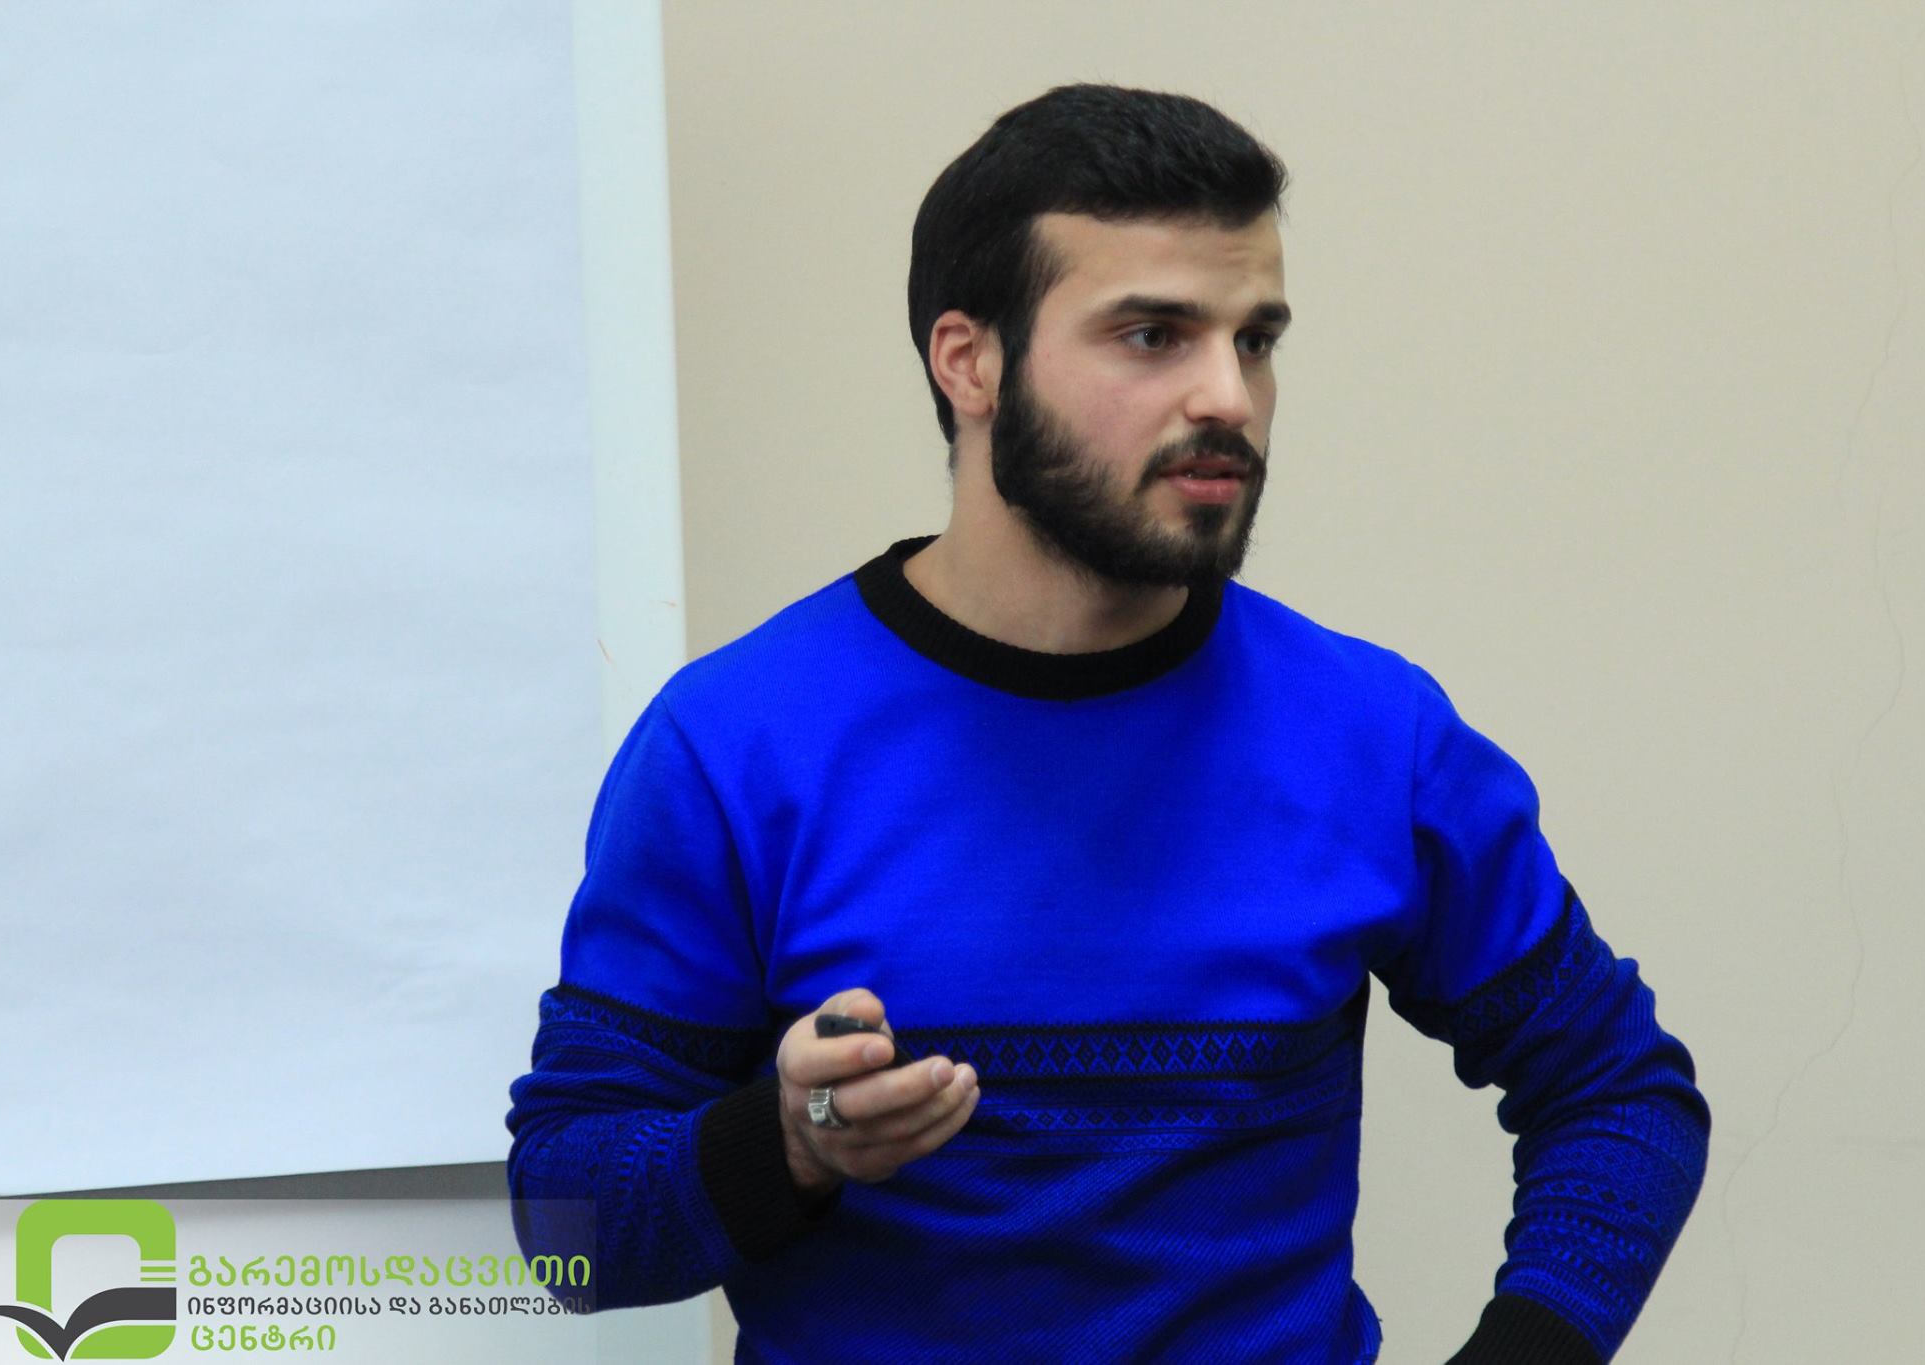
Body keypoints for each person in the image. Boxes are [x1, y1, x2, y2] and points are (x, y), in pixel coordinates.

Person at [506, 83, 1709, 1364]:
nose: (1228, 396)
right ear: (968, 361)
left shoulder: (1372, 735)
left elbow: (1616, 1092)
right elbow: (563, 1226)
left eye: (1254, 341)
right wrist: (786, 1145)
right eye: (1151, 336)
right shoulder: (734, 748)